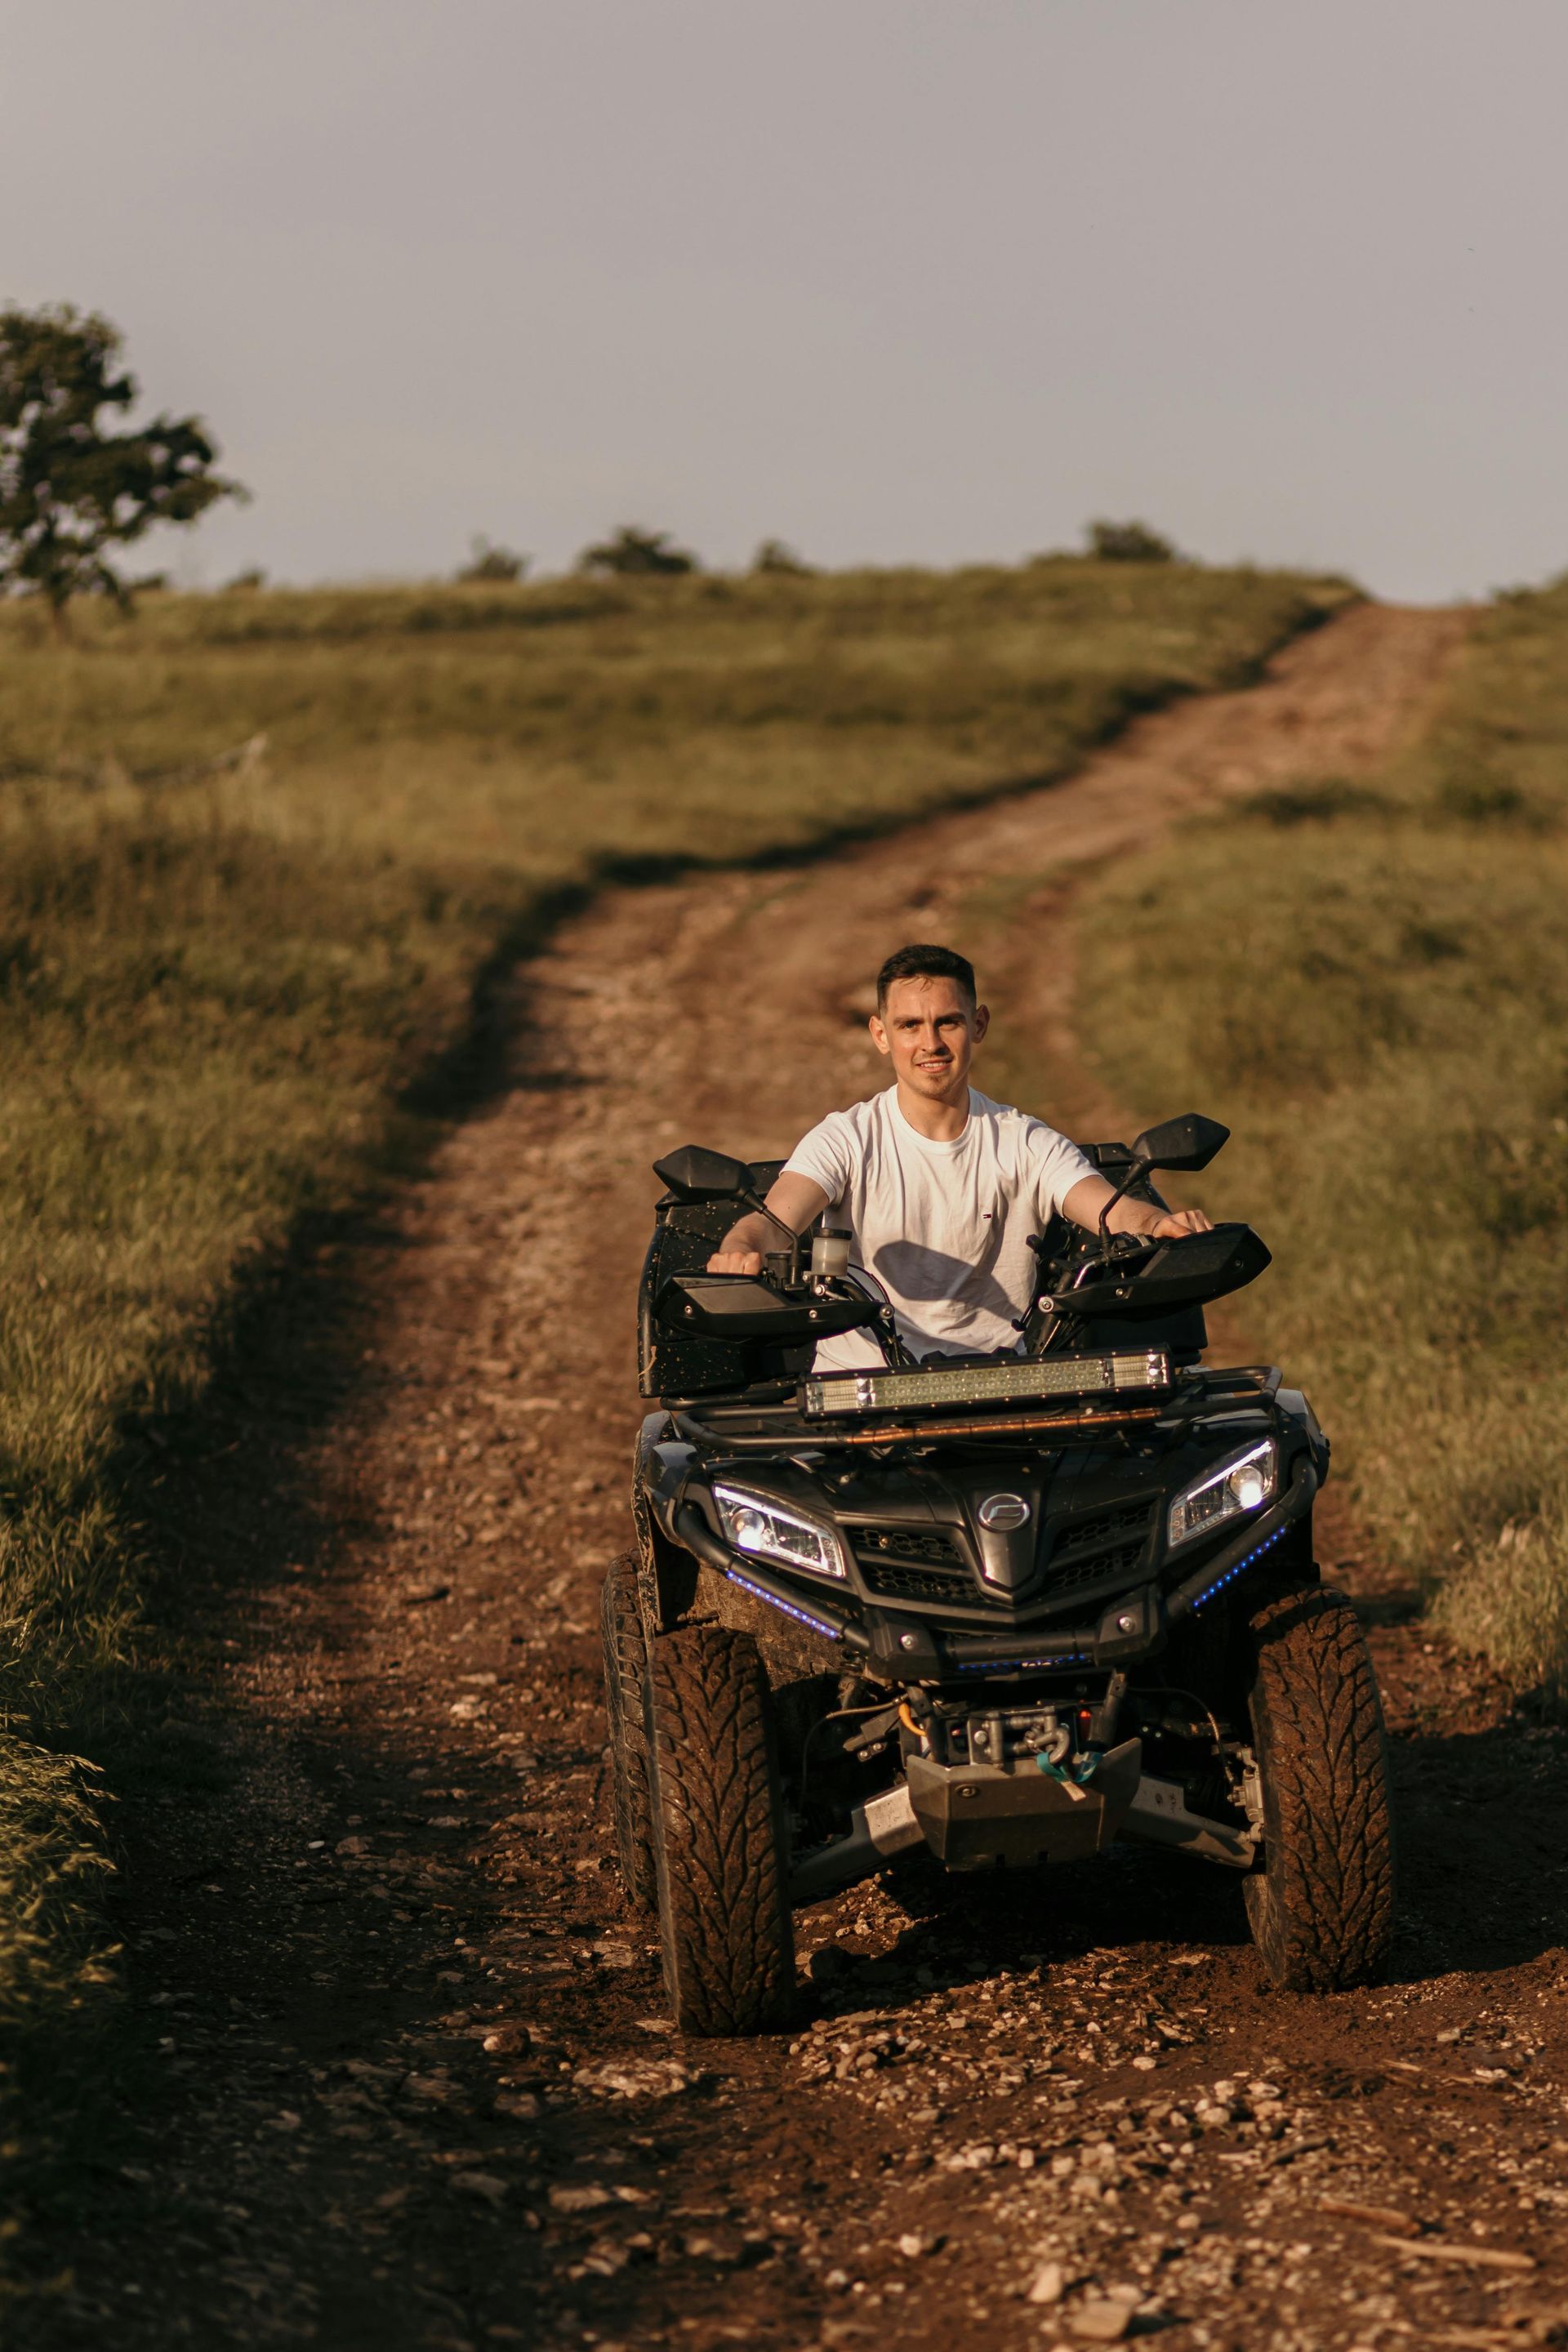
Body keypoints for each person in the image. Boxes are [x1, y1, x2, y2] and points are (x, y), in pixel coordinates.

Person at [707, 942, 1213, 1373]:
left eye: (947, 1022)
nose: (929, 1043)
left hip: (999, 1379)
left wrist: (1158, 1223)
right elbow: (774, 1220)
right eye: (909, 1025)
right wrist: (739, 1249)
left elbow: (1109, 1210)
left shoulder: (1026, 1142)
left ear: (978, 1024)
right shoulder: (845, 1138)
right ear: (881, 1035)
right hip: (860, 1391)